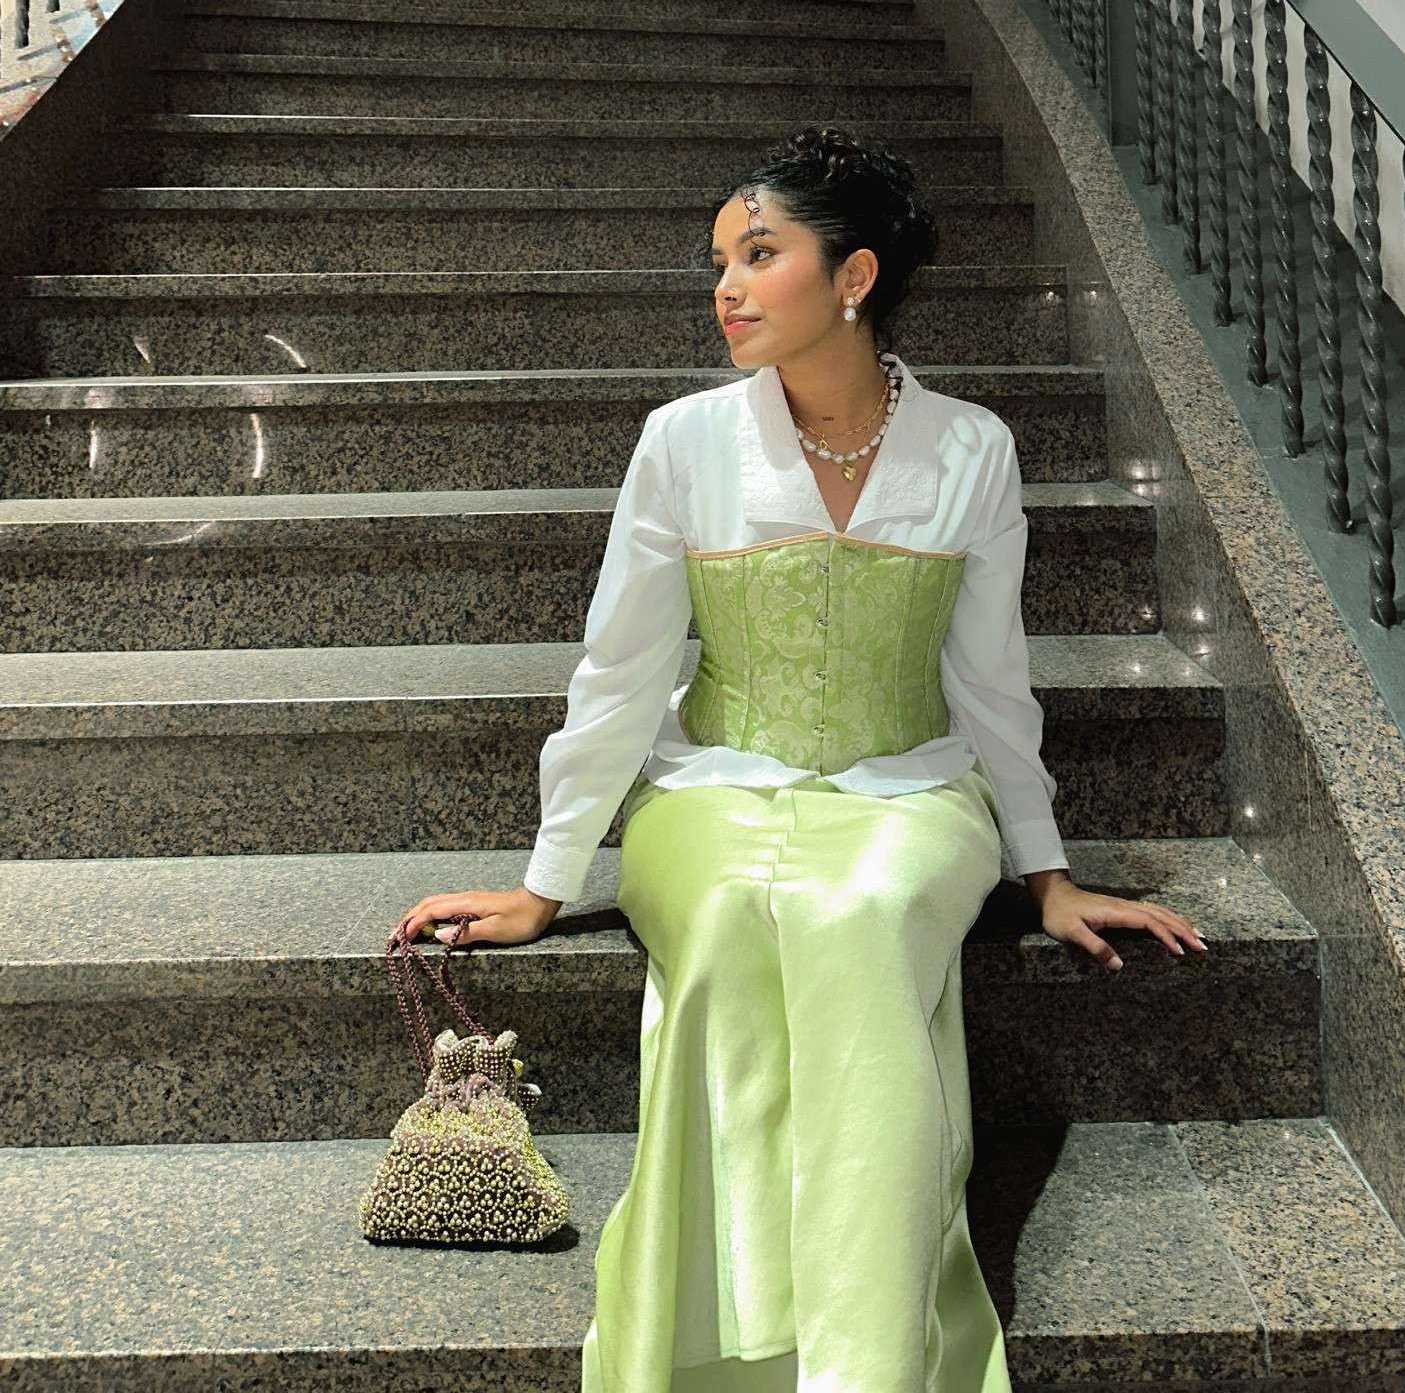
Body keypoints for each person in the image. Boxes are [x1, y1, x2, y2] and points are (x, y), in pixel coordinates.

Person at [395, 126, 1205, 1392]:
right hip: (710, 791)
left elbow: (992, 684)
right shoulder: (682, 442)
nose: (724, 284)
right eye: (719, 257)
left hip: (913, 789)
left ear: (855, 275)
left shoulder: (973, 449)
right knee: (731, 912)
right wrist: (547, 878)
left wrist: (1047, 875)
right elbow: (622, 672)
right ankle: (716, 1342)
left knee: (862, 907)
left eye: (758, 253)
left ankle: (868, 1356)